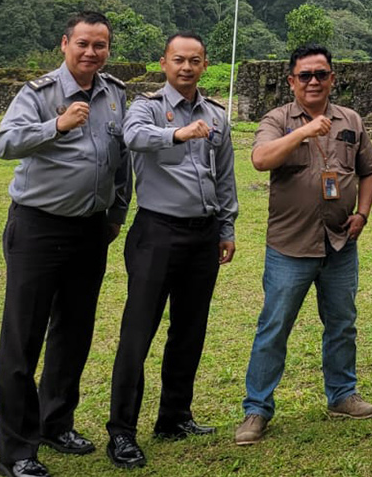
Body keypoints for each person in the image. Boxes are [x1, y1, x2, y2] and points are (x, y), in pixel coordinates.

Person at [0, 12, 131, 477]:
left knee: (73, 333)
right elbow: (5, 143)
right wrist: (55, 125)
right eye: (83, 44)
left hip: (90, 230)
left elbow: (121, 160)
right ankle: (16, 449)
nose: (91, 52)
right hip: (39, 227)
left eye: (100, 45)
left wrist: (115, 214)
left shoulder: (114, 94)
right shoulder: (38, 93)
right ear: (64, 44)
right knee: (23, 338)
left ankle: (56, 423)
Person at [104, 33, 238, 469]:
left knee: (189, 329)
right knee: (138, 332)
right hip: (157, 232)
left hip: (203, 235)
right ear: (164, 63)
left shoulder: (216, 114)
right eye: (178, 59)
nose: (186, 67)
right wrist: (178, 134)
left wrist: (226, 227)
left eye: (195, 60)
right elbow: (133, 137)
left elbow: (224, 177)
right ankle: (122, 431)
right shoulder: (145, 107)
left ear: (205, 65)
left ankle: (175, 416)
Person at [235, 44, 372, 446]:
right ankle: (257, 409)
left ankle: (342, 395)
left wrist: (363, 213)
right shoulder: (277, 119)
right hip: (290, 246)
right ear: (291, 81)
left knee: (342, 324)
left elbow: (369, 171)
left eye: (321, 74)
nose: (313, 81)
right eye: (305, 75)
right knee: (274, 327)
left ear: (332, 78)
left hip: (340, 243)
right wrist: (302, 131)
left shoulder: (351, 120)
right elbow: (261, 159)